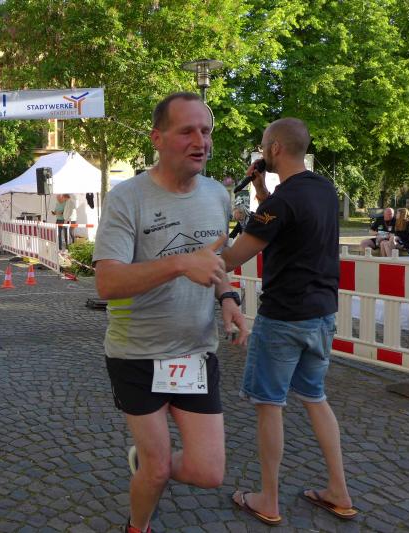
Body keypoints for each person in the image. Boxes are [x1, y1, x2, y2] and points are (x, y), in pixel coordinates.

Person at [93, 92, 248, 533]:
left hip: (194, 352)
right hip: (137, 354)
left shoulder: (217, 194)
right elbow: (107, 283)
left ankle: (146, 465)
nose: (201, 141)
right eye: (187, 131)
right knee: (158, 470)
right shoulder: (127, 198)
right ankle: (137, 525)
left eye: (206, 131)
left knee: (208, 472)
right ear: (157, 138)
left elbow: (213, 263)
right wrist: (180, 263)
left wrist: (228, 297)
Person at [222, 118, 356, 526]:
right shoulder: (323, 189)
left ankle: (268, 499)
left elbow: (234, 257)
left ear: (276, 148)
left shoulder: (281, 203)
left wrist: (203, 252)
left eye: (264, 145)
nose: (262, 152)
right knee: (315, 397)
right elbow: (288, 225)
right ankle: (339, 490)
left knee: (269, 405)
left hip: (282, 317)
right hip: (322, 314)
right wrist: (263, 192)